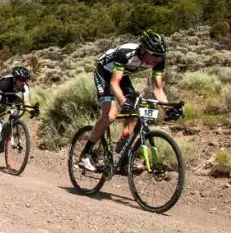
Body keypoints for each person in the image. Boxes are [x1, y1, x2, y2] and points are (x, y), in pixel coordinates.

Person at [78, 30, 182, 172]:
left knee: (135, 115)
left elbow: (158, 89)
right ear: (144, 50)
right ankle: (86, 154)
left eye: (159, 57)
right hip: (104, 73)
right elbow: (114, 83)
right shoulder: (126, 52)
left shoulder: (159, 60)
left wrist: (168, 108)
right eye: (154, 57)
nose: (156, 61)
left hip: (123, 75)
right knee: (110, 115)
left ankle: (122, 158)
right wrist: (123, 102)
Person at [0, 66, 32, 168]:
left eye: (25, 80)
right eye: (21, 80)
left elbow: (27, 103)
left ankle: (8, 127)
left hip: (8, 95)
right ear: (15, 79)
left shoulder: (25, 86)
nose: (24, 82)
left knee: (20, 106)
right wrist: (1, 108)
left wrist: (33, 111)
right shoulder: (5, 83)